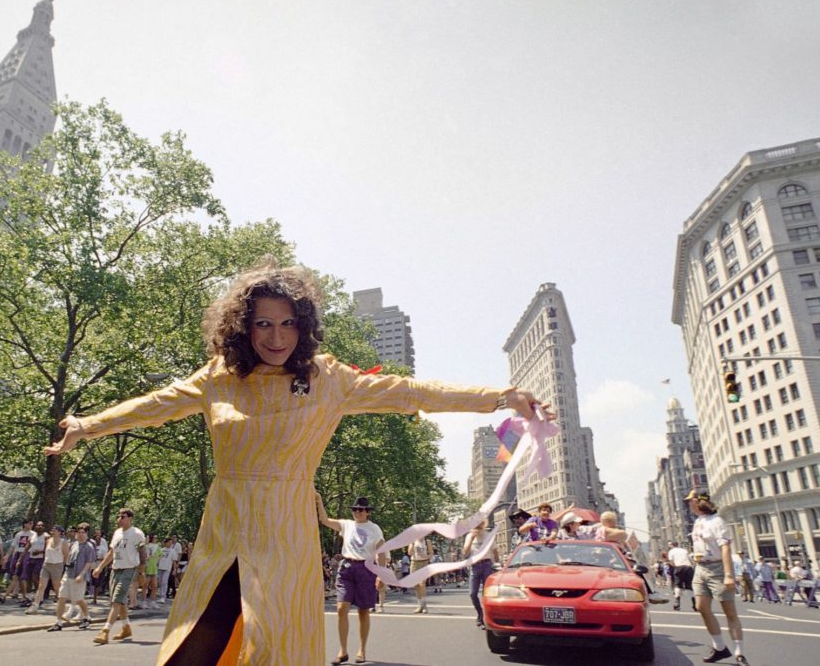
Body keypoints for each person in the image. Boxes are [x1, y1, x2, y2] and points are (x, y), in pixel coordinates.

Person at [44, 262, 552, 664]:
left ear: (303, 327)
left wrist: (500, 397)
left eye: (288, 323)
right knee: (194, 641)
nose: (276, 336)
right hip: (222, 530)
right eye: (263, 323)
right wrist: (87, 425)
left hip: (285, 534)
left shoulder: (330, 379)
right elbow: (155, 405)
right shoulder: (220, 376)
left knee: (276, 646)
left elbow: (410, 392)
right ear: (243, 327)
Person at [317, 494, 386, 665]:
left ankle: (361, 650)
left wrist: (381, 574)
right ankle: (343, 651)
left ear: (367, 512)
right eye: (355, 509)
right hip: (347, 567)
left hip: (366, 568)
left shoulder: (374, 528)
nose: (358, 512)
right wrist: (319, 500)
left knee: (363, 611)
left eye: (361, 510)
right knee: (341, 608)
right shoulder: (346, 525)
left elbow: (382, 552)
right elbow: (324, 520)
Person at [687, 490, 748, 665]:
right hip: (700, 568)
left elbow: (725, 548)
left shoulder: (717, 521)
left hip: (718, 568)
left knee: (729, 612)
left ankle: (739, 652)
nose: (688, 504)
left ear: (699, 502)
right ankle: (720, 647)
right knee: (701, 606)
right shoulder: (698, 522)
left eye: (690, 501)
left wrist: (729, 575)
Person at [91, 508, 146, 645]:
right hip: (116, 569)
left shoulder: (137, 534)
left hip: (129, 569)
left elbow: (143, 555)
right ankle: (126, 628)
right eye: (118, 516)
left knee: (116, 601)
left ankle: (105, 631)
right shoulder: (116, 533)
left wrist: (141, 573)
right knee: (119, 601)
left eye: (123, 516)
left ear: (130, 518)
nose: (119, 519)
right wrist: (100, 567)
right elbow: (111, 553)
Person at [47, 522, 96, 632]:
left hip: (79, 576)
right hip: (68, 574)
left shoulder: (89, 547)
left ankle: (86, 617)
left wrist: (81, 575)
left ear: (87, 533)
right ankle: (59, 622)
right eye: (79, 532)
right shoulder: (74, 544)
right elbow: (68, 557)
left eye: (83, 532)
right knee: (61, 598)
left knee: (79, 599)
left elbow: (89, 563)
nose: (81, 535)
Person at [26, 525, 68, 614]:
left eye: (55, 530)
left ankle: (61, 606)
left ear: (60, 532)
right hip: (46, 565)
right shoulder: (48, 540)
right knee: (41, 586)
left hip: (57, 565)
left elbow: (66, 556)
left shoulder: (63, 542)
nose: (53, 531)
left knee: (56, 587)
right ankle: (35, 606)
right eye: (52, 529)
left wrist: (64, 566)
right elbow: (45, 552)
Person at [462, 520, 495, 627]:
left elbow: (495, 551)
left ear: (483, 524)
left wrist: (497, 565)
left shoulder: (488, 535)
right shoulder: (469, 536)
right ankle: (480, 613)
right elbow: (464, 553)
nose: (477, 525)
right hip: (475, 566)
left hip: (487, 565)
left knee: (487, 593)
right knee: (472, 593)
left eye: (480, 523)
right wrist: (471, 539)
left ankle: (486, 617)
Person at [0, 519, 34, 604]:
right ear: (24, 524)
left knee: (24, 577)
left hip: (28, 554)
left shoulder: (33, 534)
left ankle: (24, 597)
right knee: (15, 576)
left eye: (31, 523)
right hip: (18, 554)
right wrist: (7, 556)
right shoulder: (19, 534)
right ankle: (5, 596)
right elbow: (13, 546)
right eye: (29, 523)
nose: (31, 524)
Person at [19, 521, 48, 606]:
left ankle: (39, 596)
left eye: (41, 525)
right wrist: (20, 559)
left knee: (35, 577)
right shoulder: (33, 536)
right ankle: (28, 597)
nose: (39, 527)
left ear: (44, 527)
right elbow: (26, 548)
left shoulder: (46, 536)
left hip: (40, 559)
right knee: (27, 578)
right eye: (38, 525)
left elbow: (48, 549)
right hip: (31, 558)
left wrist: (40, 552)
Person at [668, 540, 695, 611]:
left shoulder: (671, 551)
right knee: (689, 586)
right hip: (688, 567)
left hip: (679, 567)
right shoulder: (684, 550)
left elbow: (671, 562)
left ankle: (677, 602)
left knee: (678, 585)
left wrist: (675, 568)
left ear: (671, 545)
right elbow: (691, 560)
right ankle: (694, 603)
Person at [407, 536, 432, 613]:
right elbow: (409, 553)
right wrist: (412, 543)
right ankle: (419, 605)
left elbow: (431, 553)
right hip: (414, 563)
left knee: (422, 583)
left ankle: (424, 606)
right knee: (416, 585)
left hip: (423, 563)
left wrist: (427, 557)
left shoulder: (427, 541)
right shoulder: (413, 541)